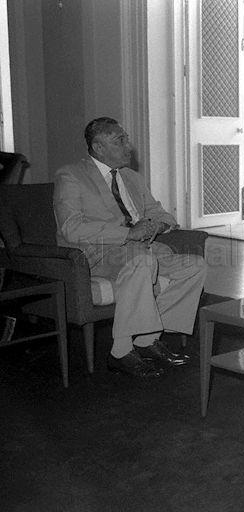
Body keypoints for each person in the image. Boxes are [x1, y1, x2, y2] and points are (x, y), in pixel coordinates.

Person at [54, 117, 207, 379]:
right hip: (96, 255)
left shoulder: (132, 178)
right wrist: (128, 233)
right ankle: (120, 352)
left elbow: (162, 214)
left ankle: (148, 339)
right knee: (141, 260)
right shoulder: (71, 176)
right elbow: (71, 228)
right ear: (98, 147)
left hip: (141, 251)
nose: (129, 146)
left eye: (126, 139)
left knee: (195, 266)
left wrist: (156, 226)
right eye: (120, 141)